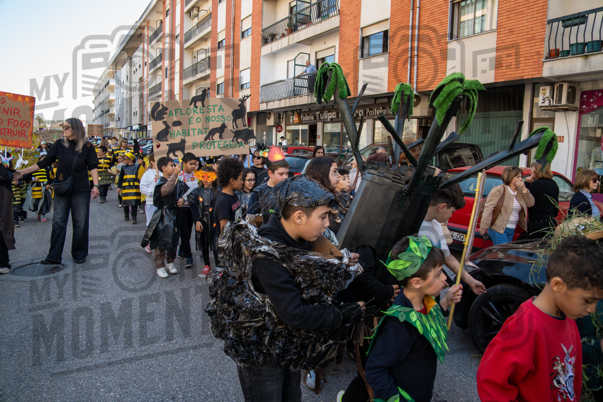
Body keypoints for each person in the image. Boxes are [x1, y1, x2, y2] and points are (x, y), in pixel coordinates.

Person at [215, 176, 363, 402]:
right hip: (262, 354)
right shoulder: (268, 255)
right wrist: (340, 314)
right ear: (299, 217)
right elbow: (295, 313)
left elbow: (311, 270)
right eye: (322, 217)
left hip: (288, 343)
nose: (327, 224)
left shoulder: (301, 238)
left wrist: (339, 263)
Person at [476, 235, 603, 402]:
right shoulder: (523, 328)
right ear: (558, 285)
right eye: (588, 300)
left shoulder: (568, 317)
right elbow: (490, 381)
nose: (592, 309)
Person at [365, 236, 463, 402]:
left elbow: (426, 324)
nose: (445, 278)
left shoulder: (424, 301)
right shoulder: (399, 325)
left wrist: (445, 302)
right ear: (417, 282)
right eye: (439, 274)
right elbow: (375, 369)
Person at [12, 118, 100, 265]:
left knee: (80, 223)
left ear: (76, 129)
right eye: (63, 127)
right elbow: (44, 162)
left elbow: (93, 166)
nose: (63, 129)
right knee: (58, 222)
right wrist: (22, 172)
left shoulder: (87, 146)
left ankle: (79, 254)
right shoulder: (59, 144)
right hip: (62, 188)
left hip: (80, 190)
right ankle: (53, 256)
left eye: (67, 127)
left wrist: (96, 185)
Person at [419, 184, 487, 295]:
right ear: (442, 207)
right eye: (452, 211)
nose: (451, 216)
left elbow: (447, 256)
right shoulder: (416, 228)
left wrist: (471, 281)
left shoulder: (437, 225)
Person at [142, 157, 184, 278]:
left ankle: (170, 262)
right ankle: (160, 265)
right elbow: (166, 190)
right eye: (171, 165)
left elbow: (180, 194)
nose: (174, 167)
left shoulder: (176, 180)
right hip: (163, 214)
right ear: (164, 168)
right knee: (161, 240)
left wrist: (181, 200)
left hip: (174, 213)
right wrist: (175, 174)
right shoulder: (160, 181)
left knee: (173, 239)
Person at [478, 167, 535, 245]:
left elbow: (531, 203)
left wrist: (524, 189)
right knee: (503, 251)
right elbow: (488, 208)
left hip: (512, 229)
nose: (521, 179)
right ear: (510, 178)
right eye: (518, 177)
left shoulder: (520, 192)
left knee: (504, 251)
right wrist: (484, 226)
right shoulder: (499, 190)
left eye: (521, 177)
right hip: (498, 228)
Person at [188, 166, 220, 278]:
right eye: (203, 177)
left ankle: (218, 266)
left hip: (215, 222)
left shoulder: (219, 191)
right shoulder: (197, 192)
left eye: (208, 177)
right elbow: (193, 207)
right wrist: (196, 221)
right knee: (204, 242)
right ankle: (207, 265)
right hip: (202, 222)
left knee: (216, 244)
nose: (205, 180)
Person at [305, 157, 343, 232]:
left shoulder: (332, 198)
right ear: (322, 174)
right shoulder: (312, 203)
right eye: (334, 171)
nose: (339, 175)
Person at [523, 162, 559, 238]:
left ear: (538, 170)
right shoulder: (554, 183)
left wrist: (527, 183)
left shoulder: (537, 184)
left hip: (538, 224)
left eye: (532, 169)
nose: (531, 171)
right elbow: (556, 207)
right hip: (550, 223)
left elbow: (525, 198)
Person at [248, 159, 290, 224]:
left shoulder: (290, 190)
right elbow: (250, 218)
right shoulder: (259, 192)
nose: (285, 177)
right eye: (281, 174)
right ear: (270, 173)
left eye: (287, 173)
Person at [176, 153, 199, 268]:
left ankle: (181, 250)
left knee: (189, 231)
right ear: (184, 163)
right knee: (184, 232)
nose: (193, 166)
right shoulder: (179, 176)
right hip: (182, 208)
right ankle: (188, 256)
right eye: (191, 164)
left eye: (195, 164)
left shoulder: (197, 175)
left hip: (193, 208)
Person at [214, 157, 244, 234]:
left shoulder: (235, 195)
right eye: (241, 179)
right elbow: (225, 233)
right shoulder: (224, 201)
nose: (242, 182)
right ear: (232, 181)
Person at [117, 152, 145, 224]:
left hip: (135, 188)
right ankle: (126, 214)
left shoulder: (137, 166)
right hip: (125, 188)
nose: (123, 160)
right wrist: (119, 187)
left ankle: (134, 217)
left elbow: (141, 176)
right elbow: (120, 178)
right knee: (126, 203)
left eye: (125, 159)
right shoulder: (123, 167)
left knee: (134, 203)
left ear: (130, 159)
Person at [140, 154, 159, 252]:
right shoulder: (147, 174)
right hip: (151, 202)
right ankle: (149, 242)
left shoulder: (163, 172)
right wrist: (154, 193)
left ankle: (158, 243)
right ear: (152, 162)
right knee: (151, 223)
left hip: (162, 202)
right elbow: (142, 188)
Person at [0, 159, 15, 273]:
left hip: (3, 211)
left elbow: (6, 177)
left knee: (2, 234)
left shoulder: (8, 174)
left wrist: (0, 164)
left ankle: (4, 264)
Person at [31, 155, 52, 223]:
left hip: (44, 186)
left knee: (44, 200)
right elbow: (29, 176)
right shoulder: (34, 167)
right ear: (39, 159)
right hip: (36, 186)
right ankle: (39, 212)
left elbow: (50, 177)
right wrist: (33, 178)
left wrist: (48, 184)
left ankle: (43, 214)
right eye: (42, 159)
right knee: (37, 201)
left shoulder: (46, 168)